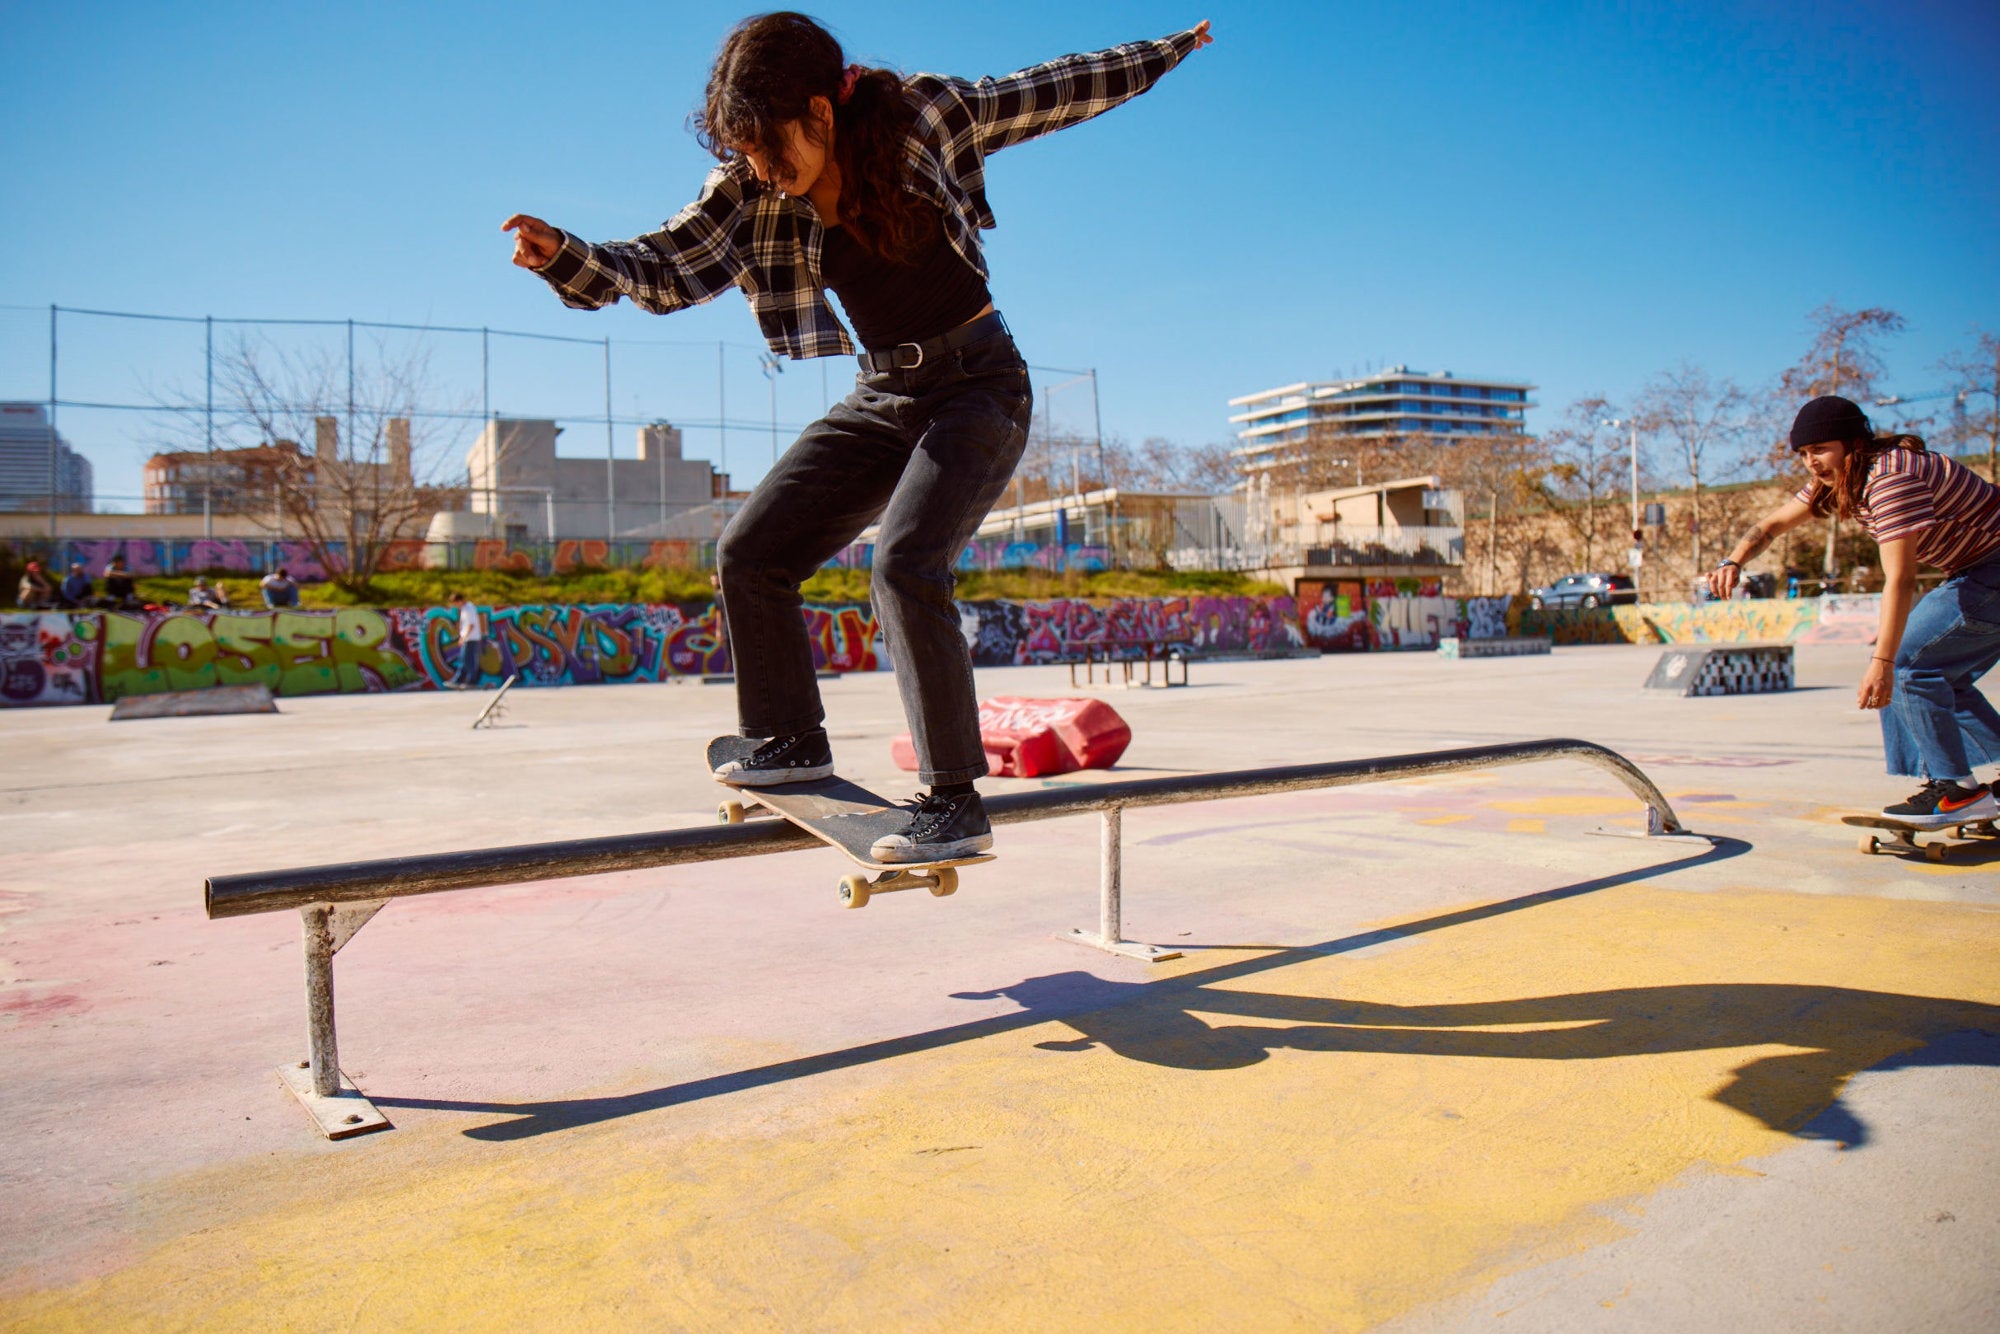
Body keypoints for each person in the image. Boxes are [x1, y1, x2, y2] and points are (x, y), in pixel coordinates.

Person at [504, 12, 1212, 862]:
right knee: (750, 551)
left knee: (905, 563)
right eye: (751, 158)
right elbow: (664, 266)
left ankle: (953, 802)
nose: (769, 173)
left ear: (820, 111)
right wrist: (564, 258)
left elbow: (1052, 92)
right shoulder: (747, 189)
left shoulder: (923, 115)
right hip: (886, 394)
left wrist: (1166, 52)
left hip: (979, 387)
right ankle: (790, 737)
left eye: (775, 151)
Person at [1711, 395, 2000, 827]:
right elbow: (1770, 525)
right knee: (1939, 679)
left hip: (1989, 571)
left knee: (1907, 668)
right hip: (1979, 572)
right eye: (1805, 454)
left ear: (1853, 443)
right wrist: (1732, 560)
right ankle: (1959, 786)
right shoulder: (1840, 479)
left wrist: (1882, 663)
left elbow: (1900, 579)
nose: (1812, 463)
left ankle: (1956, 790)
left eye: (1820, 450)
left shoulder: (1890, 479)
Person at [448, 591, 486, 690]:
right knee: (464, 659)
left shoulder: (469, 608)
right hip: (468, 638)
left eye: (456, 603)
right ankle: (459, 680)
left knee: (468, 660)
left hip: (471, 638)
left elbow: (471, 625)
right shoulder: (465, 609)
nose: (456, 606)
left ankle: (470, 681)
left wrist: (463, 638)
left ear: (460, 601)